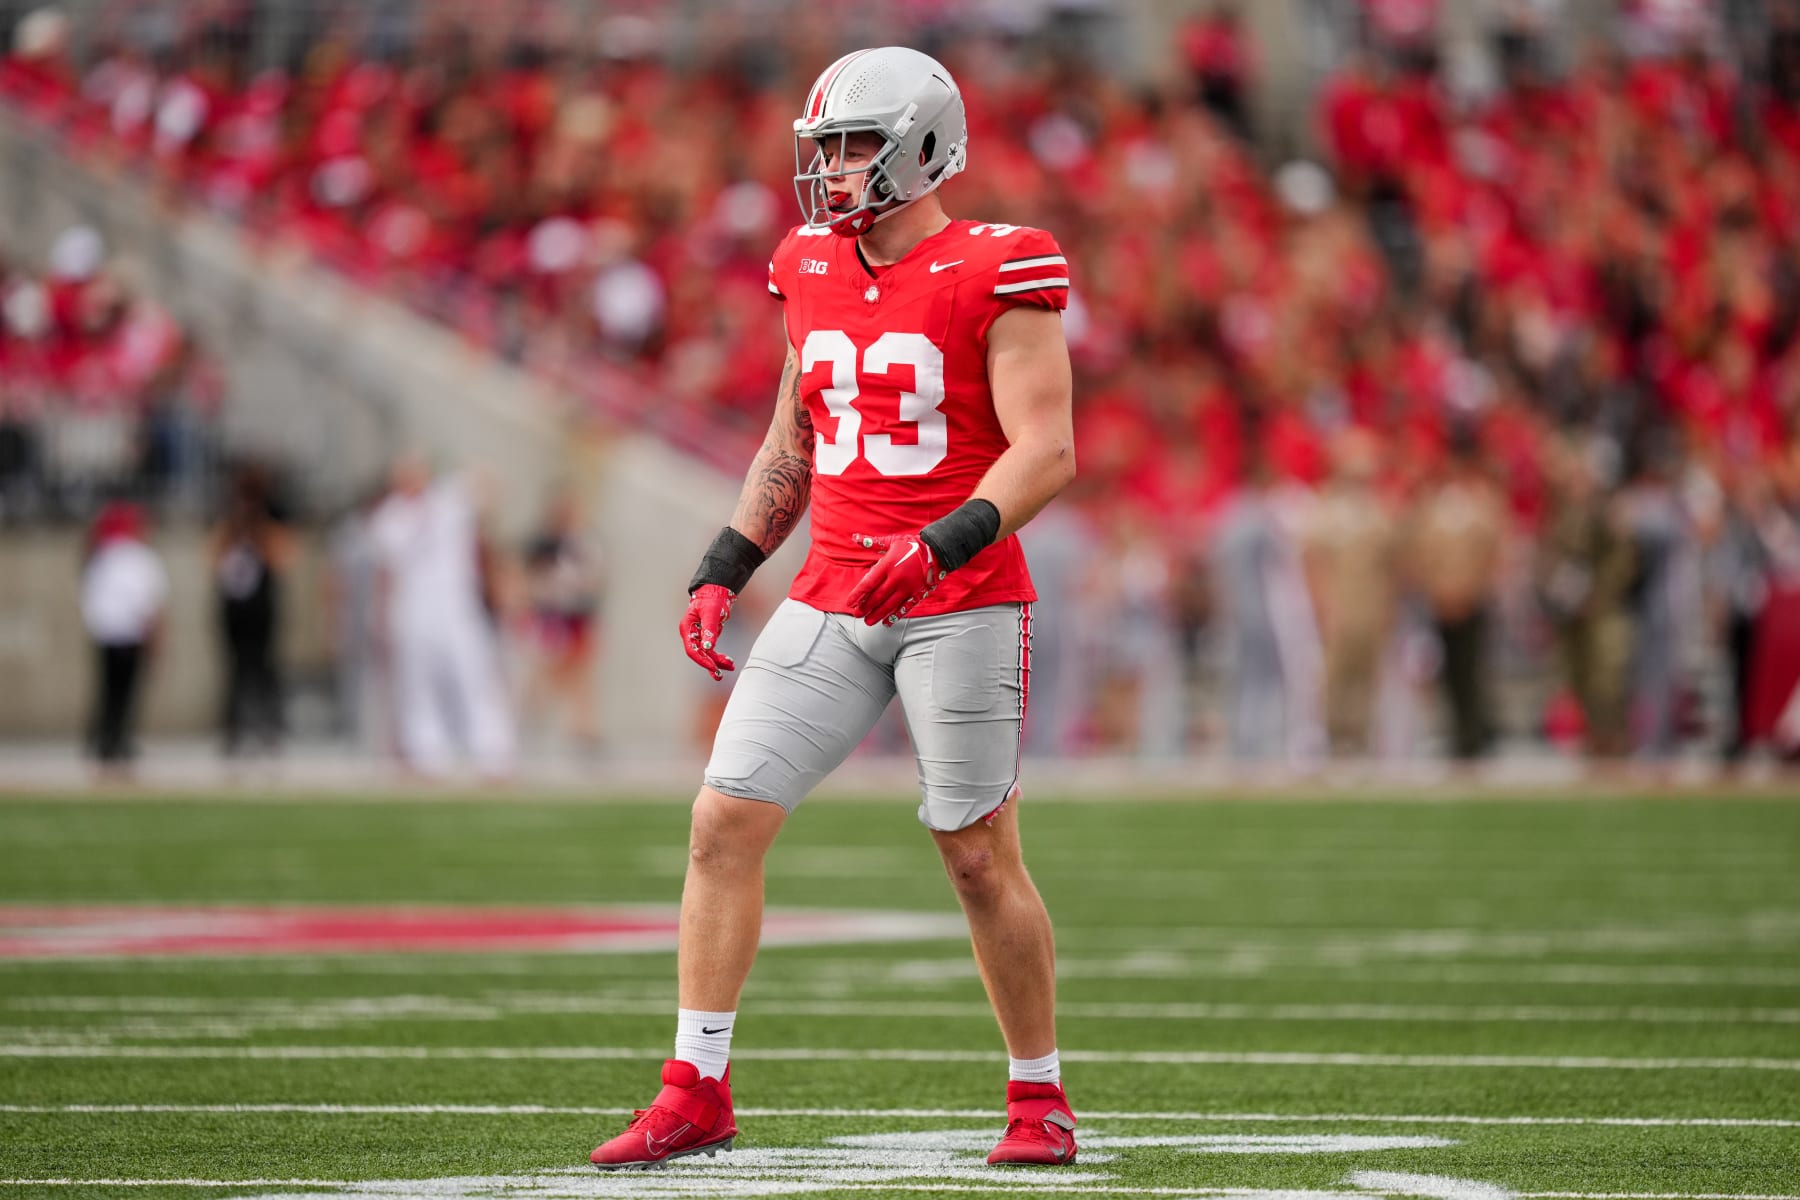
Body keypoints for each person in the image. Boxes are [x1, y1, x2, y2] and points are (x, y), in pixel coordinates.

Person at [590, 47, 1079, 1171]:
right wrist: (724, 564)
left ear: (923, 144)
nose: (836, 171)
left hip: (958, 597)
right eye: (829, 150)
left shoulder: (1002, 265)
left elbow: (1047, 451)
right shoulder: (807, 263)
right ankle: (696, 1086)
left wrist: (939, 544)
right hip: (833, 590)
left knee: (975, 854)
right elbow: (794, 438)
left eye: (856, 146)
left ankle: (1038, 1094)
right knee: (724, 820)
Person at [368, 453, 516, 779]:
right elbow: (391, 563)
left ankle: (493, 754)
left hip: (457, 609)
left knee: (476, 678)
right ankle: (426, 756)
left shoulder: (447, 499)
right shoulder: (390, 517)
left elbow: (487, 486)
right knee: (417, 687)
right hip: (413, 612)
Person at [211, 465, 294, 757]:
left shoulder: (270, 519)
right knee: (236, 669)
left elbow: (282, 559)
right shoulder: (228, 522)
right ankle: (234, 730)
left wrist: (256, 534)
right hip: (235, 608)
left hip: (261, 607)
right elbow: (214, 558)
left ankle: (268, 728)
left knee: (264, 668)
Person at [80, 500, 167, 774]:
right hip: (130, 634)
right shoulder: (140, 557)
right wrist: (154, 634)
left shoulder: (100, 557)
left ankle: (104, 738)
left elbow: (91, 598)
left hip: (107, 634)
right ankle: (119, 739)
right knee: (126, 691)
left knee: (108, 689)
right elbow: (150, 600)